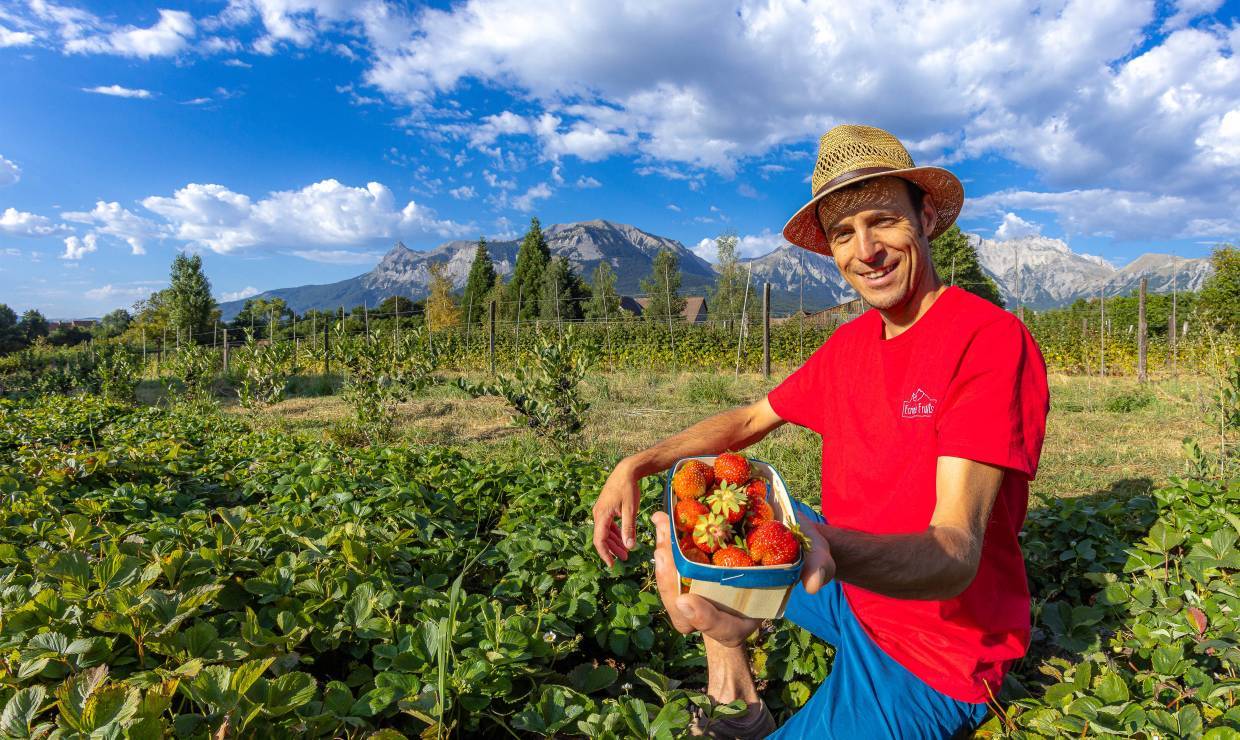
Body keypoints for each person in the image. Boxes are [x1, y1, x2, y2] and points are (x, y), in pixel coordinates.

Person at [591, 124, 1050, 738]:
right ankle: (739, 702)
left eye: (883, 220)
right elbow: (752, 419)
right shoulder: (850, 344)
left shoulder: (986, 341)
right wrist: (638, 463)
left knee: (746, 544)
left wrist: (823, 547)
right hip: (846, 581)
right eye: (843, 233)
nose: (866, 250)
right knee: (697, 528)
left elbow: (955, 554)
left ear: (927, 216)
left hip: (936, 647)